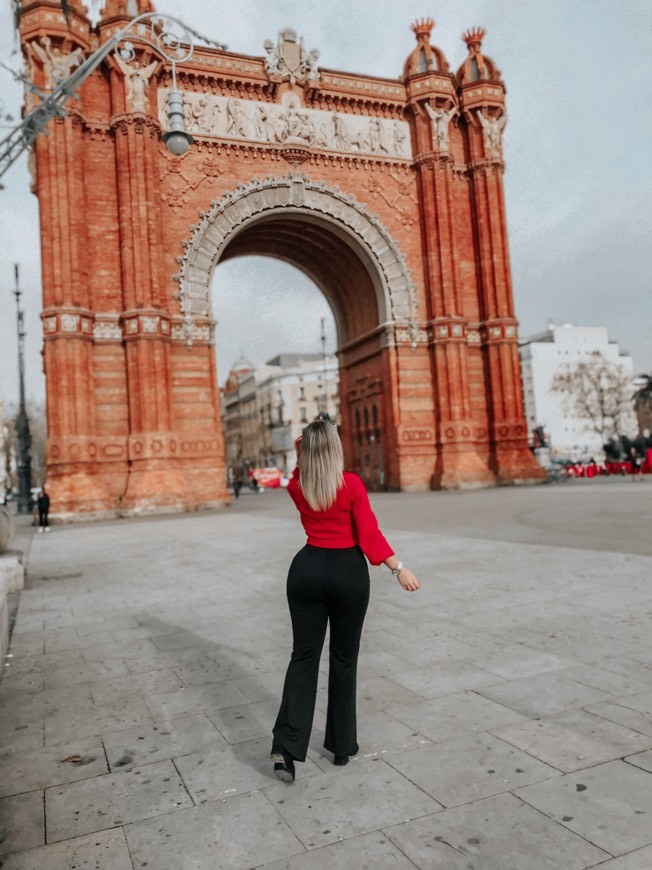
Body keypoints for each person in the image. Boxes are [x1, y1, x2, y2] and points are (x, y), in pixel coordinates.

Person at [270, 417, 420, 783]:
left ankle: (286, 749)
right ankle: (340, 745)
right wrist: (398, 568)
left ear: (304, 451)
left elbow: (296, 470)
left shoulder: (297, 486)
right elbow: (369, 535)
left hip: (305, 571)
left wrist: (300, 450)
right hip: (346, 574)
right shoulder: (351, 485)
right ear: (336, 448)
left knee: (303, 657)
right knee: (343, 658)